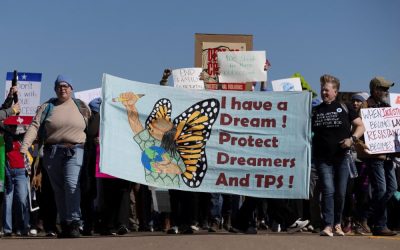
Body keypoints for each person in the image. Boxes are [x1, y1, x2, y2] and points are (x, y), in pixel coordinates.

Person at [20, 75, 91, 238]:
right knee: (58, 189)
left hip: (75, 151)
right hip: (53, 153)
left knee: (71, 184)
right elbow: (34, 126)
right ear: (55, 89)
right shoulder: (47, 107)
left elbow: (95, 125)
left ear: (71, 89)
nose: (63, 88)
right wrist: (24, 147)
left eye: (66, 85)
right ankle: (65, 223)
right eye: (59, 86)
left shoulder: (81, 106)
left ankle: (74, 222)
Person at [312, 74, 365, 237]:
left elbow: (360, 126)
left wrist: (352, 139)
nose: (324, 92)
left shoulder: (345, 106)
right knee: (328, 190)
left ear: (335, 92)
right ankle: (327, 225)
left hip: (342, 158)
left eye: (327, 90)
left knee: (341, 193)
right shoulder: (316, 110)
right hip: (322, 158)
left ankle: (337, 224)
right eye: (322, 90)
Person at [363, 77, 398, 236]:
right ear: (374, 89)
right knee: (382, 189)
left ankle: (363, 216)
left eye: (387, 89)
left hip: (389, 157)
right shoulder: (365, 106)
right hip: (375, 157)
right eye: (383, 89)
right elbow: (361, 129)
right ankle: (380, 224)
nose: (386, 92)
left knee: (391, 189)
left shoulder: (387, 107)